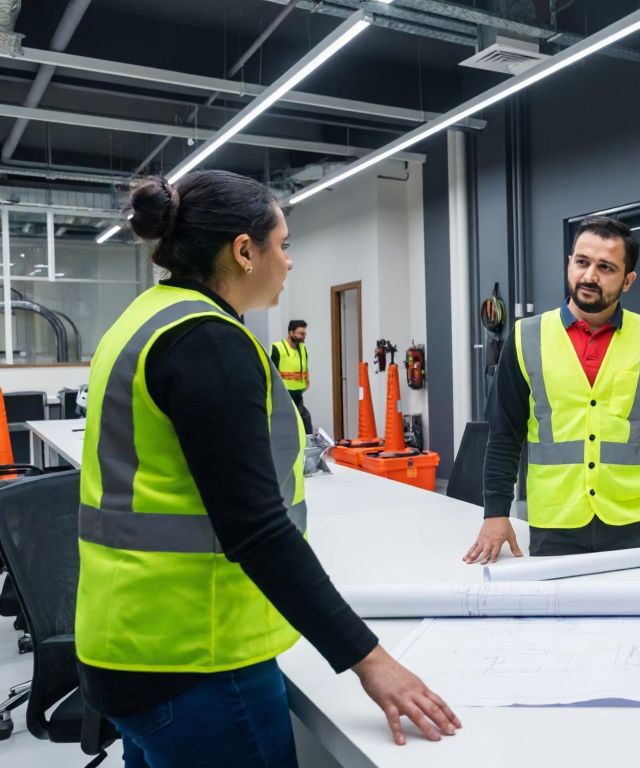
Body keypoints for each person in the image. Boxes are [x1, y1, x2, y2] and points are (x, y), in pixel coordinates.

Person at [76, 171, 459, 767]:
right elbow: (255, 529)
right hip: (198, 660)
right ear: (244, 251)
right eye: (283, 244)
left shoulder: (147, 316)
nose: (289, 260)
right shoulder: (208, 342)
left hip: (127, 640)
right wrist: (370, 660)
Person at [465, 216, 640, 562]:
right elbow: (504, 433)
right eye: (582, 262)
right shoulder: (527, 337)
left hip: (637, 522)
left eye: (605, 267)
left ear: (628, 280)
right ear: (569, 263)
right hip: (556, 521)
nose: (589, 276)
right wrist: (495, 512)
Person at [271, 319, 313, 432]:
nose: (303, 336)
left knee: (305, 424)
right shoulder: (277, 348)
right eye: (301, 333)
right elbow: (271, 373)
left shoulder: (302, 349)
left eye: (304, 333)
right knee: (288, 426)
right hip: (283, 396)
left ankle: (307, 448)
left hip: (298, 395)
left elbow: (304, 368)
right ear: (291, 333)